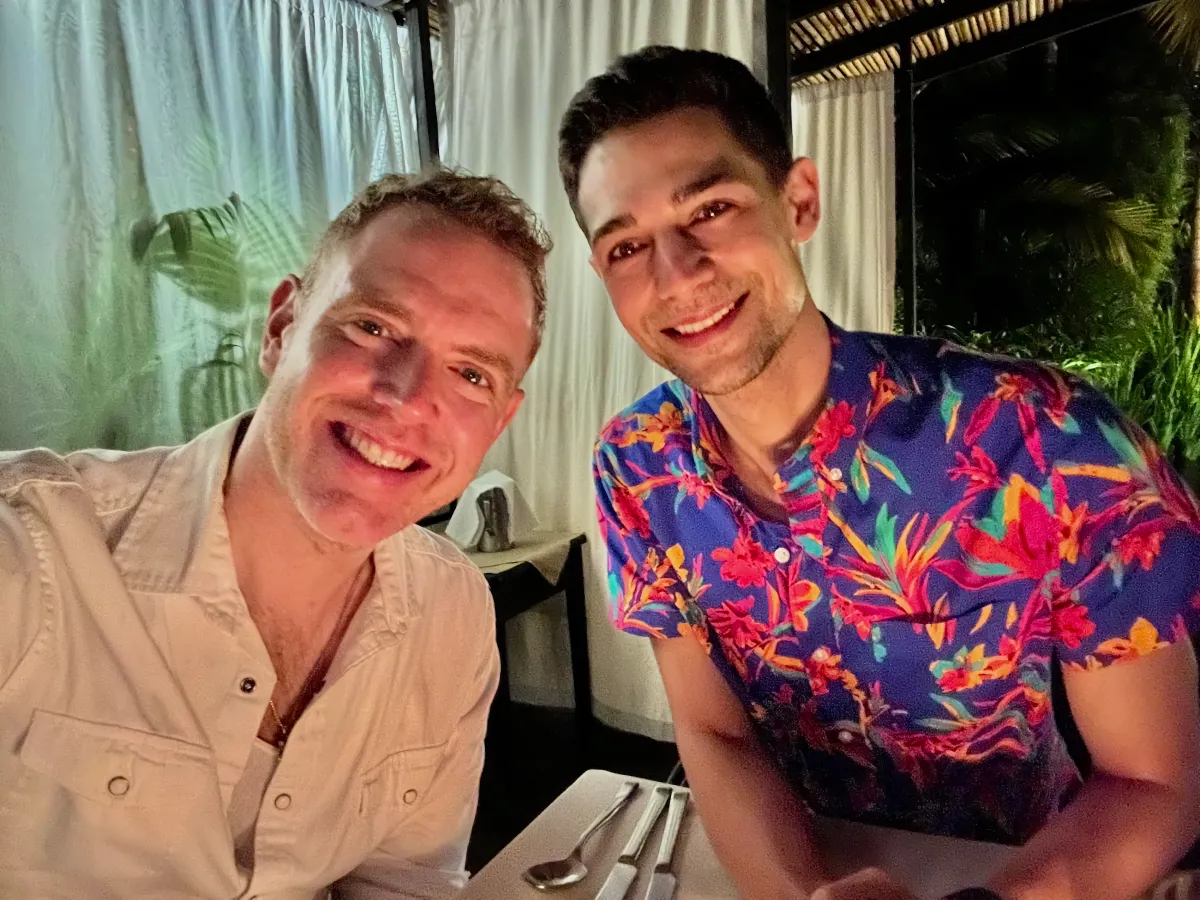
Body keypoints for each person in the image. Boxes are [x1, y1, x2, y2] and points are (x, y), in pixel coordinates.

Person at [559, 45, 1200, 900]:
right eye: (627, 246)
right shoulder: (637, 471)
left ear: (799, 201)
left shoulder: (1047, 443)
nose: (677, 274)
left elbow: (1156, 785)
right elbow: (715, 735)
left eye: (710, 208)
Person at [0, 169, 551, 898]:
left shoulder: (452, 615)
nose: (406, 397)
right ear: (282, 326)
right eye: (374, 327)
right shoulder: (31, 557)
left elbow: (402, 880)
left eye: (471, 375)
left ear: (499, 423)